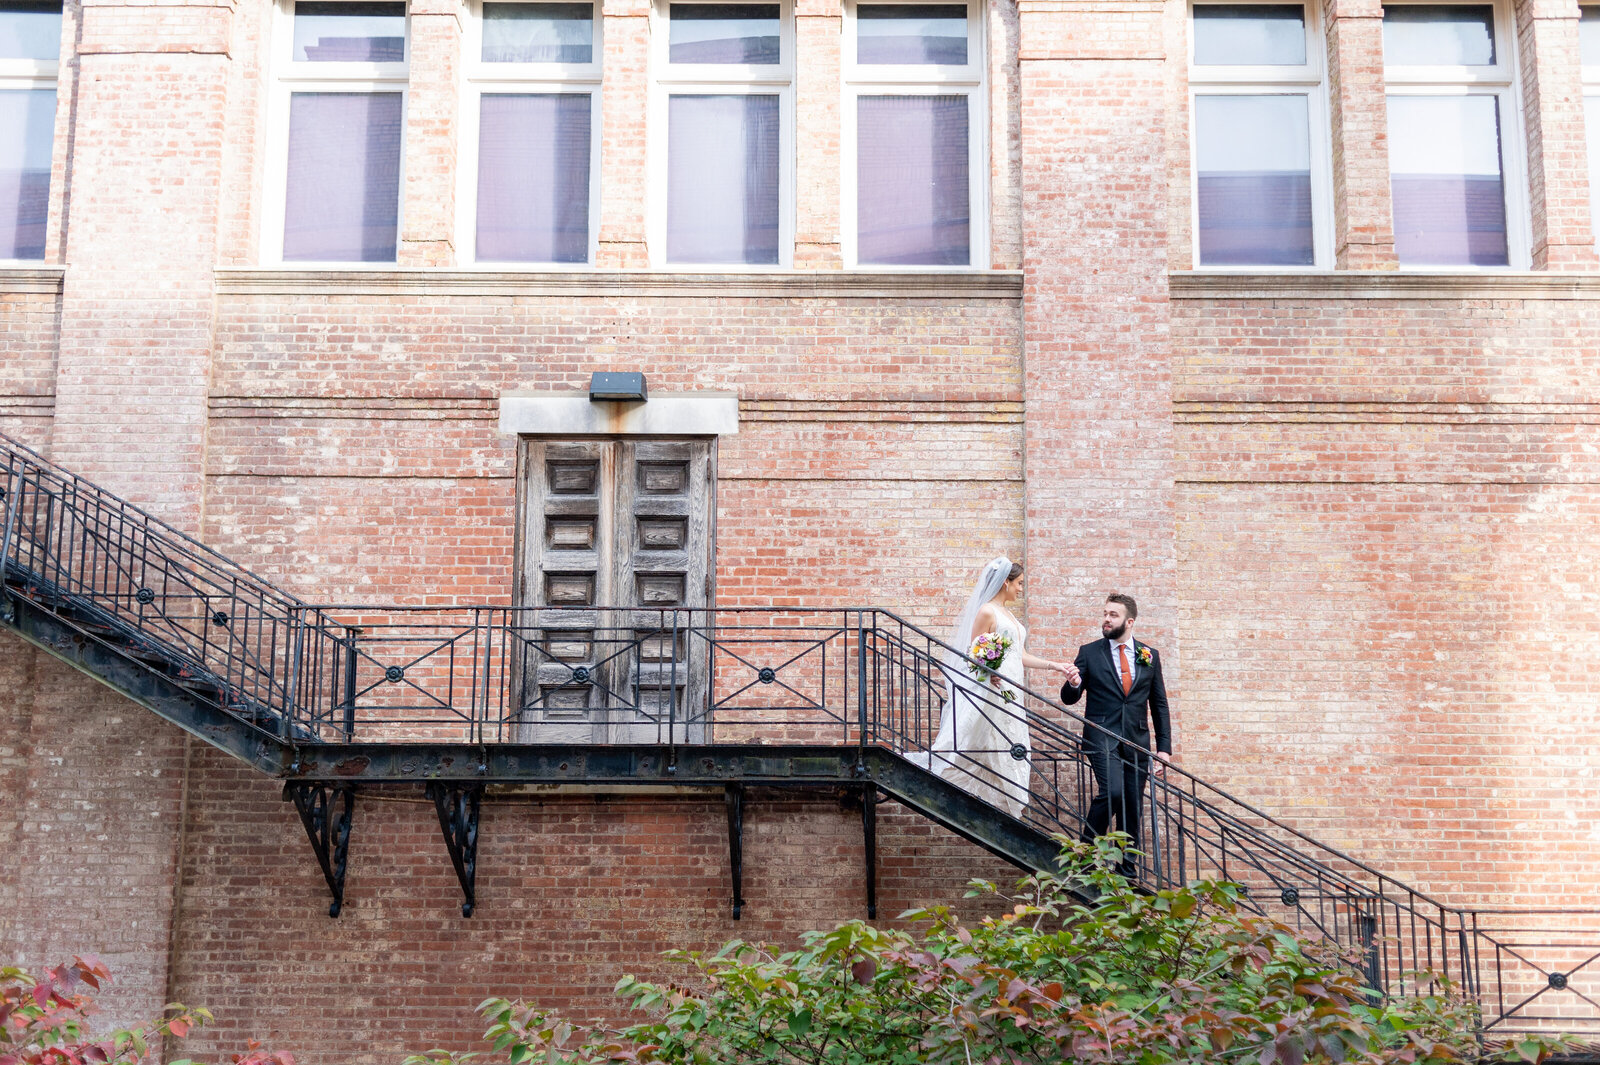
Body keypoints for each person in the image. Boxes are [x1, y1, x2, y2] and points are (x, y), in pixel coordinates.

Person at [910, 557, 1079, 817]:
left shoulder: (1009, 615)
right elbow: (972, 654)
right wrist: (988, 673)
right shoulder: (987, 611)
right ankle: (991, 799)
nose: (1021, 589)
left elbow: (1019, 654)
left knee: (1013, 739)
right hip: (994, 688)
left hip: (1012, 690)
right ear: (1005, 582)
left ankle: (1007, 802)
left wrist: (1054, 666)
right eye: (1019, 583)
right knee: (990, 738)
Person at [1059, 592, 1171, 875]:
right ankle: (1084, 854)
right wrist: (1072, 683)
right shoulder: (1089, 652)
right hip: (1101, 735)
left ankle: (1128, 869)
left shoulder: (1149, 656)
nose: (1106, 620)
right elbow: (1069, 698)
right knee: (1113, 791)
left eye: (1113, 615)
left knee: (1132, 803)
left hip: (1137, 739)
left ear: (1129, 622)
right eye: (1105, 614)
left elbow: (1159, 704)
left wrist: (1164, 749)